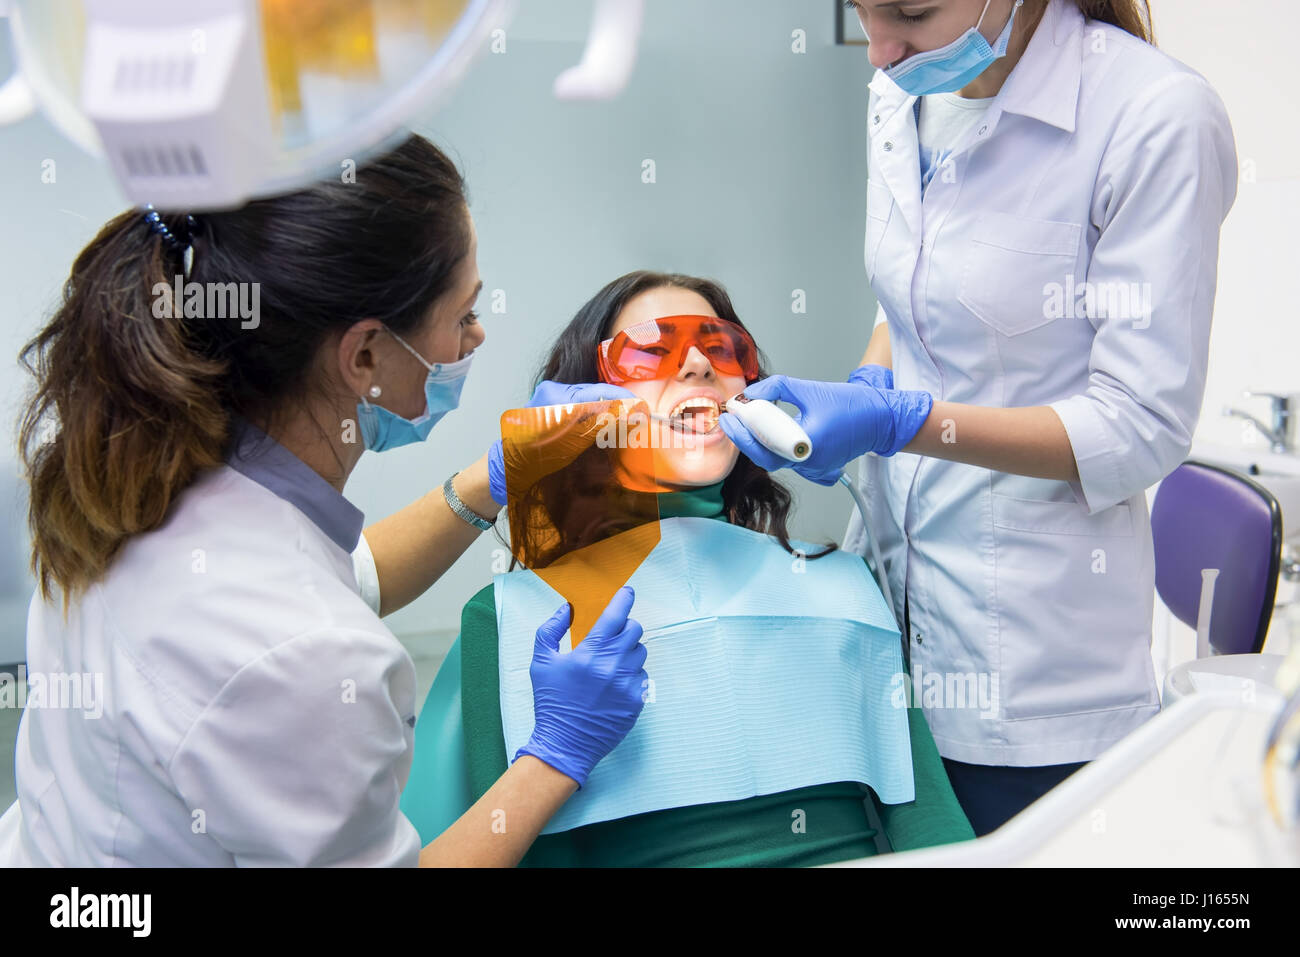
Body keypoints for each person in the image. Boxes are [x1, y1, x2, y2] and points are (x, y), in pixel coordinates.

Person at [0, 135, 649, 867]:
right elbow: (295, 634)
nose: (478, 334)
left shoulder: (133, 471)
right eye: (463, 314)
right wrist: (555, 759)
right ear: (365, 354)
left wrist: (491, 477)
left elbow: (337, 579)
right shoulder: (305, 653)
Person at [719, 0, 1238, 834]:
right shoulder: (900, 91)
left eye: (910, 15)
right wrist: (872, 381)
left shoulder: (1153, 118)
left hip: (1037, 672)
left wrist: (899, 422)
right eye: (862, 11)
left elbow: (1138, 423)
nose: (879, 54)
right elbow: (913, 298)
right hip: (894, 611)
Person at [428, 271, 976, 866]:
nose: (696, 365)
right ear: (584, 400)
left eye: (722, 347)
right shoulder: (510, 617)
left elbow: (931, 826)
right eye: (650, 350)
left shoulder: (844, 583)